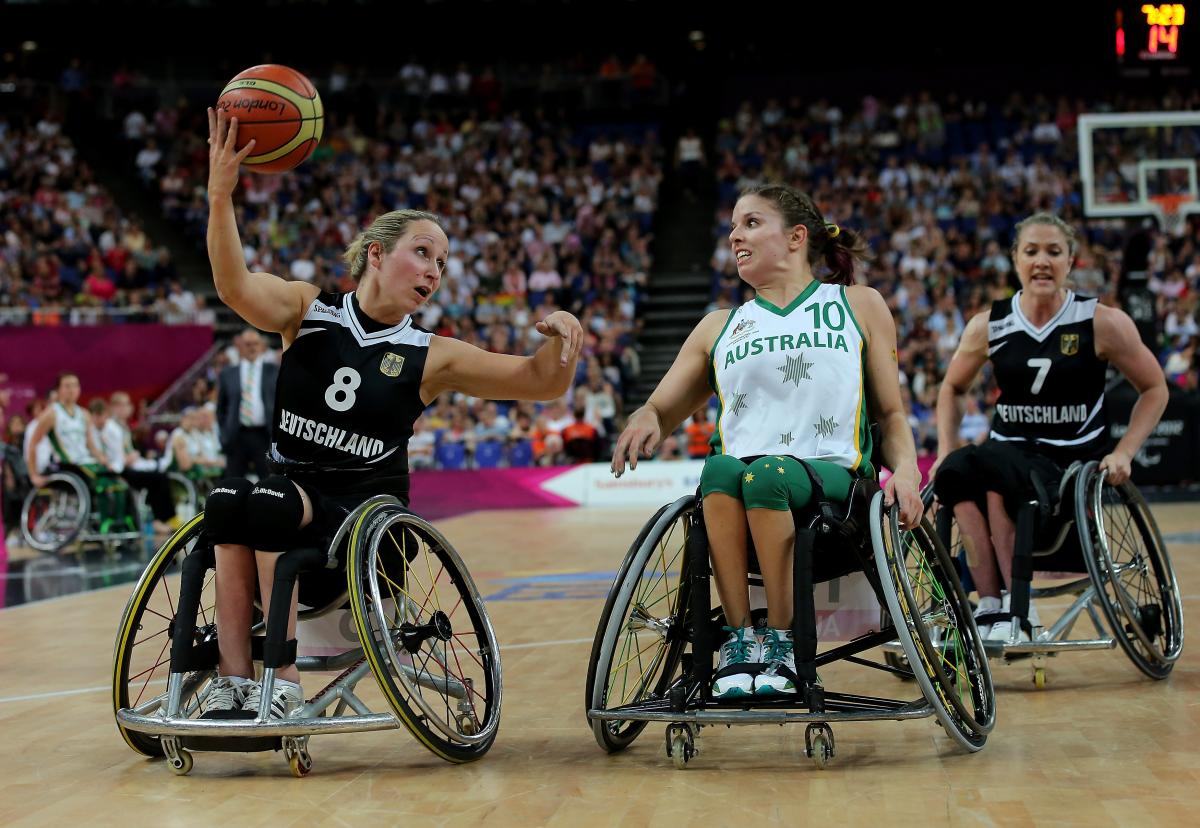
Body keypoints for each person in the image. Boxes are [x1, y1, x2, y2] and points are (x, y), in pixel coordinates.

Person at [201, 108, 582, 719]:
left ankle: (284, 681)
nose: (434, 270)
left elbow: (539, 382)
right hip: (292, 490)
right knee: (224, 500)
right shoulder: (307, 310)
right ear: (376, 255)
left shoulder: (431, 355)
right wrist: (221, 195)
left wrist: (563, 339)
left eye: (442, 263)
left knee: (267, 503)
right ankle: (234, 680)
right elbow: (233, 286)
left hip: (364, 517)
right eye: (423, 253)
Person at [612, 184, 922, 699]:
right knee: (719, 471)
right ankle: (741, 641)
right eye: (733, 226)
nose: (735, 235)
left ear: (797, 237)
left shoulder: (857, 305)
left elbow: (890, 413)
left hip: (833, 484)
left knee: (767, 474)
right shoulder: (720, 326)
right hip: (742, 487)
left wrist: (907, 470)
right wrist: (645, 416)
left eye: (751, 223)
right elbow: (662, 406)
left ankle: (781, 640)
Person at [933, 213, 1168, 643]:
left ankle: (1019, 610)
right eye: (1032, 251)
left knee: (995, 478)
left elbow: (1154, 388)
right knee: (954, 477)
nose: (1042, 261)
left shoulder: (1101, 321)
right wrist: (947, 446)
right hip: (1006, 453)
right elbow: (952, 387)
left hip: (1068, 464)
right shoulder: (990, 324)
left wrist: (1124, 452)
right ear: (1015, 260)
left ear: (1071, 262)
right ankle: (988, 607)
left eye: (1053, 252)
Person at [95, 393, 179, 534]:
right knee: (157, 478)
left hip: (129, 464)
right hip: (120, 469)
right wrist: (130, 458)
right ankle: (160, 519)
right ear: (115, 407)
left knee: (160, 475)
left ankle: (167, 518)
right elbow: (116, 457)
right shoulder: (111, 427)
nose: (129, 408)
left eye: (128, 404)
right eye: (125, 404)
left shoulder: (122, 426)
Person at [216, 328, 278, 479]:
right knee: (233, 483)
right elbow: (221, 409)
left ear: (262, 346)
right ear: (239, 346)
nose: (252, 347)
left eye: (255, 343)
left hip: (264, 435)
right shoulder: (227, 373)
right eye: (247, 344)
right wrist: (225, 435)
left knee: (268, 484)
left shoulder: (274, 371)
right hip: (236, 435)